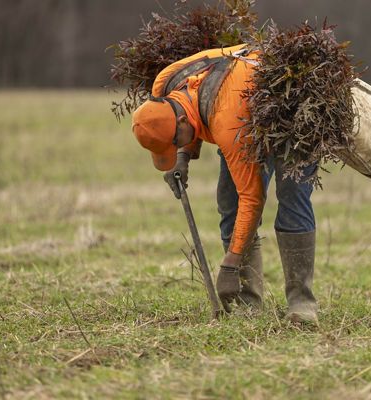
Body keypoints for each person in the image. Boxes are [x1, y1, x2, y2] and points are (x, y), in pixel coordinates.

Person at [131, 44, 318, 323]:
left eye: (174, 143)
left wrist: (230, 265)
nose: (175, 148)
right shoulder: (164, 85)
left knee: (292, 199)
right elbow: (189, 107)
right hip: (242, 107)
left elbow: (253, 200)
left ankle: (302, 304)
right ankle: (248, 304)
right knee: (228, 204)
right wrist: (183, 155)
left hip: (296, 115)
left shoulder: (228, 125)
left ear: (181, 122)